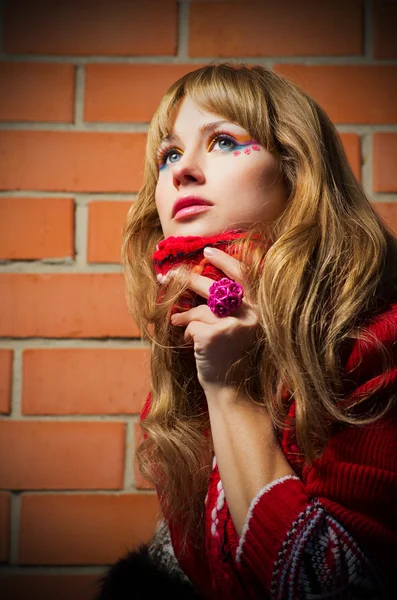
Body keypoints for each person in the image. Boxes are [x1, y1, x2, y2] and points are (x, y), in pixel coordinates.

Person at [95, 63, 397, 599]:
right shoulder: (183, 374)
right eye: (168, 155)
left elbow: (334, 590)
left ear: (295, 171)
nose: (182, 171)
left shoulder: (377, 343)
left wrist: (231, 392)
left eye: (224, 141)